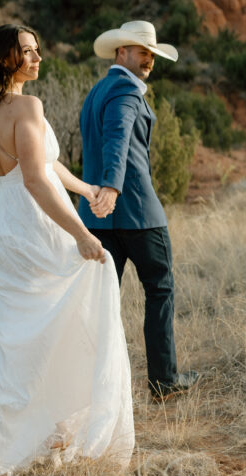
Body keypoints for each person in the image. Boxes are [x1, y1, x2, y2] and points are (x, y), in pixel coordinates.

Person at [0, 24, 134, 476]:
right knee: (76, 309)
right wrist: (82, 234)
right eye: (27, 52)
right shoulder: (28, 107)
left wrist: (87, 190)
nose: (38, 58)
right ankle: (59, 433)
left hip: (0, 225)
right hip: (30, 225)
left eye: (38, 49)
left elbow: (43, 167)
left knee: (14, 340)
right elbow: (37, 182)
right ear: (6, 60)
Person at [78, 20, 200, 401]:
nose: (149, 60)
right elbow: (117, 139)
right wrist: (113, 186)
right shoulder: (128, 92)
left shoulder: (96, 92)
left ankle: (92, 388)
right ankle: (164, 381)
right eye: (142, 52)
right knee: (159, 290)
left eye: (152, 54)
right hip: (136, 212)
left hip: (95, 216)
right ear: (121, 53)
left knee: (100, 303)